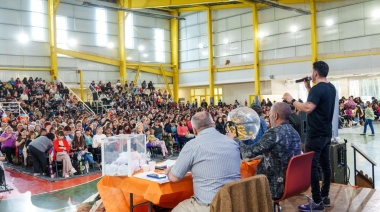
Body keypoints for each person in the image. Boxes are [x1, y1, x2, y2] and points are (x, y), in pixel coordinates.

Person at [283, 61, 336, 211]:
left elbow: (308, 107)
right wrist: (308, 88)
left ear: (315, 73)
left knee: (312, 167)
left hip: (315, 134)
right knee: (325, 165)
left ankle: (317, 202)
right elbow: (318, 102)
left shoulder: (318, 89)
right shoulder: (330, 88)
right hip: (326, 133)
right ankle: (324, 197)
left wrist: (291, 100)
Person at [165, 111, 241, 212]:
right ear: (213, 124)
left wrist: (169, 170)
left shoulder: (193, 145)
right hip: (237, 202)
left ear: (194, 131)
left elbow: (174, 177)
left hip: (211, 206)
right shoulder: (232, 142)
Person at [232, 102, 301, 199]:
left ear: (275, 116)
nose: (269, 117)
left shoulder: (273, 133)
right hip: (292, 182)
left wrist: (235, 138)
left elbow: (247, 153)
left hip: (273, 185)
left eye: (270, 115)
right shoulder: (294, 132)